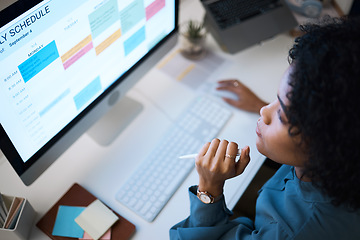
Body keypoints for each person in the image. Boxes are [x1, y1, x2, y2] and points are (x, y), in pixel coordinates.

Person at [170, 17, 360, 239]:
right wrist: (269, 107)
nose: (264, 111)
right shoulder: (342, 158)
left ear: (329, 144)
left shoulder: (294, 232)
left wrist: (208, 190)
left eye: (282, 114)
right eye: (276, 100)